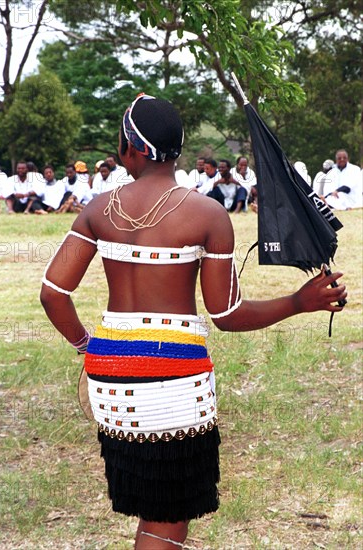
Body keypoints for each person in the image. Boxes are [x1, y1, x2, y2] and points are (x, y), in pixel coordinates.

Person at [40, 93, 347, 549]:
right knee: (169, 516)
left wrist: (89, 347)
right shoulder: (208, 214)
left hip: (110, 371)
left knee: (154, 505)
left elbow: (53, 293)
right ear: (177, 149)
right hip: (171, 373)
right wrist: (298, 302)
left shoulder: (96, 209)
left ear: (131, 148)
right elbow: (226, 314)